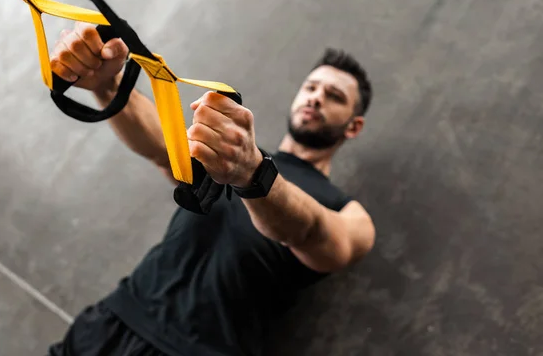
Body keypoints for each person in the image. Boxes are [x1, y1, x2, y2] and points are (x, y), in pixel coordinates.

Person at [47, 22, 376, 356]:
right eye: (311, 87)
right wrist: (106, 85)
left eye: (333, 96)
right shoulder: (228, 155)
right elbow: (164, 146)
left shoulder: (347, 212)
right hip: (110, 326)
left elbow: (315, 234)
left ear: (354, 125)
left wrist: (254, 174)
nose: (316, 98)